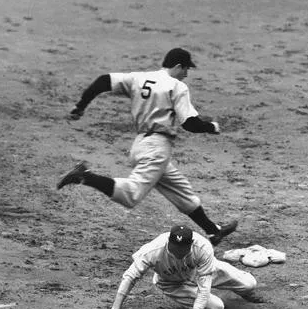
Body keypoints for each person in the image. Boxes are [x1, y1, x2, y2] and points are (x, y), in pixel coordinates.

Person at [56, 48, 237, 246]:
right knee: (131, 195)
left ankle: (213, 231)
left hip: (142, 144)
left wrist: (81, 105)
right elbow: (190, 124)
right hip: (156, 149)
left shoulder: (139, 78)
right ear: (177, 66)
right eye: (186, 69)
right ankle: (85, 176)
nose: (186, 74)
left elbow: (103, 81)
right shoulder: (176, 86)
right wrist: (212, 127)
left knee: (181, 190)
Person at [103, 225, 263, 309]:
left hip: (200, 271)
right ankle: (196, 297)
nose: (178, 252)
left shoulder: (202, 247)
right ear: (168, 243)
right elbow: (130, 277)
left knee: (250, 284)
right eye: (174, 248)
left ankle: (239, 255)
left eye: (182, 249)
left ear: (191, 244)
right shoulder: (153, 250)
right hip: (172, 283)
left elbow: (204, 286)